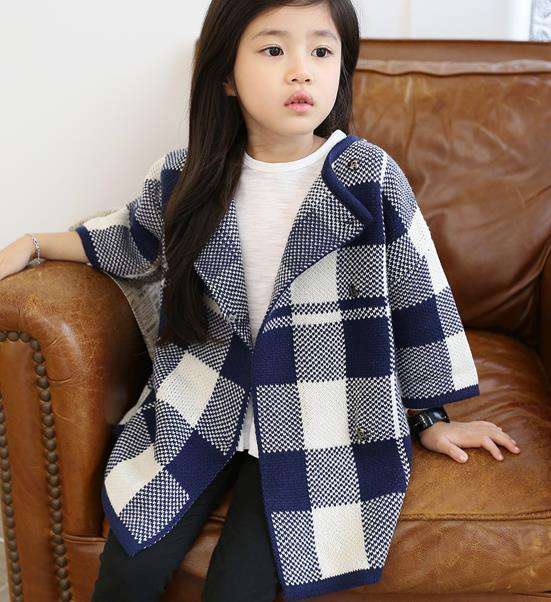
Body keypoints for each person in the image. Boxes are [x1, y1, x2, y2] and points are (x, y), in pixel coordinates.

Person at [0, 1, 522, 600]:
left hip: (319, 414)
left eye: (321, 51)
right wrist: (34, 242)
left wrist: (429, 419)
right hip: (203, 399)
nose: (301, 69)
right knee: (130, 566)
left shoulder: (369, 178)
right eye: (274, 50)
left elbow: (417, 298)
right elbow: (129, 240)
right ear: (226, 75)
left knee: (240, 586)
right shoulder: (187, 176)